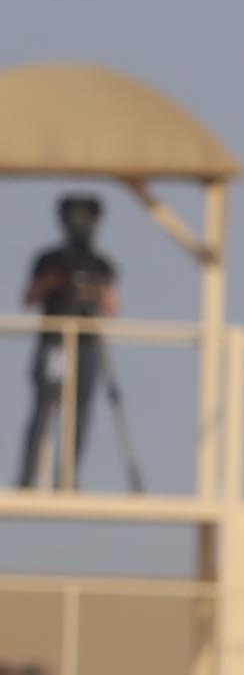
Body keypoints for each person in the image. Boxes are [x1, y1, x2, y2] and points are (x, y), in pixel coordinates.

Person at [20, 191, 120, 491]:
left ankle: (68, 478)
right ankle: (27, 477)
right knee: (45, 407)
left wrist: (94, 292)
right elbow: (28, 298)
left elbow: (112, 307)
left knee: (80, 412)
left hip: (87, 346)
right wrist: (55, 282)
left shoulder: (101, 264)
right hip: (54, 343)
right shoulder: (48, 260)